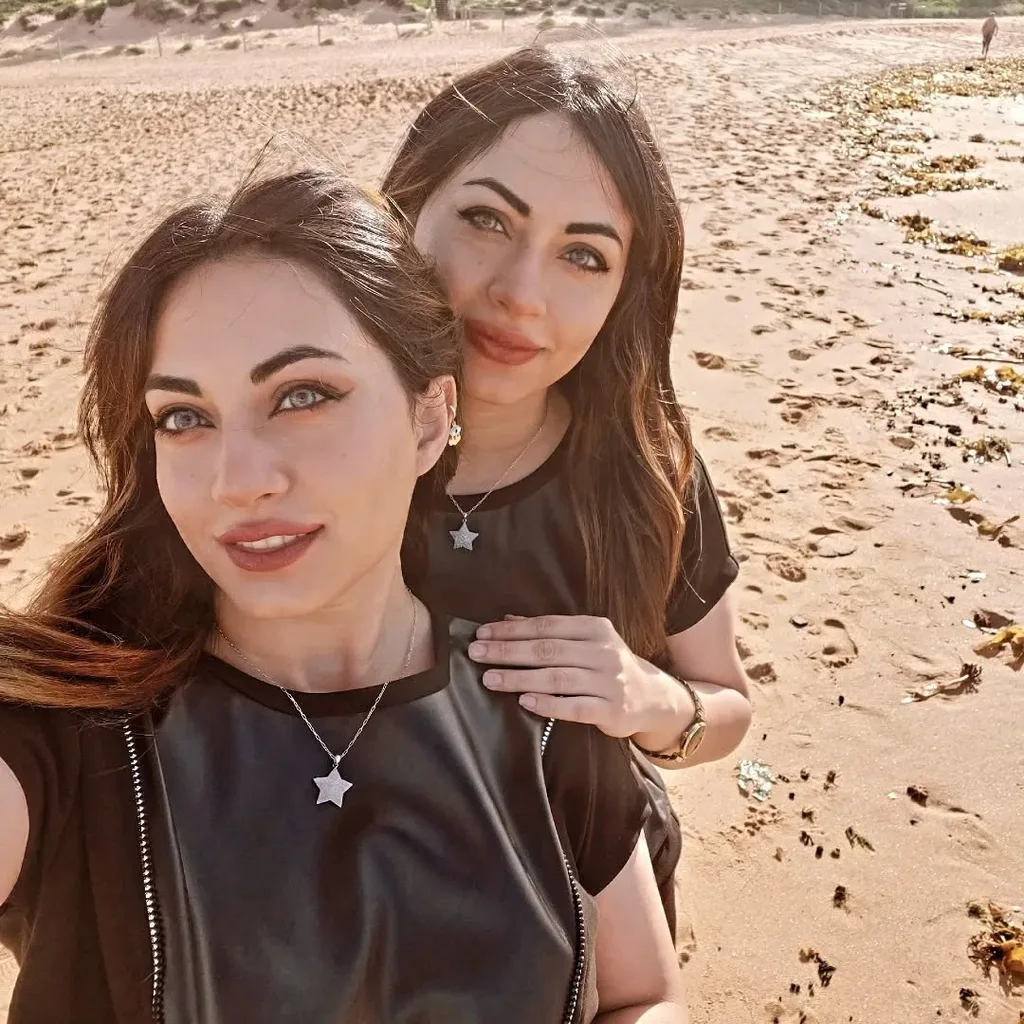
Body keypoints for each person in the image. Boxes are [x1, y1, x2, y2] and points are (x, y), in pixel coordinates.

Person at [0, 170, 687, 1024]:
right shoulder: (73, 737)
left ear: (429, 419)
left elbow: (644, 993)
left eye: (303, 396)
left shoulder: (541, 701)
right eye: (184, 417)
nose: (236, 481)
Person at [383, 46, 753, 936]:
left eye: (583, 256)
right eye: (487, 219)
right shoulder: (310, 446)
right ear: (407, 208)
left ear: (625, 290)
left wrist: (647, 698)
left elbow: (726, 704)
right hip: (371, 903)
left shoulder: (646, 471)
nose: (522, 294)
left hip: (592, 906)